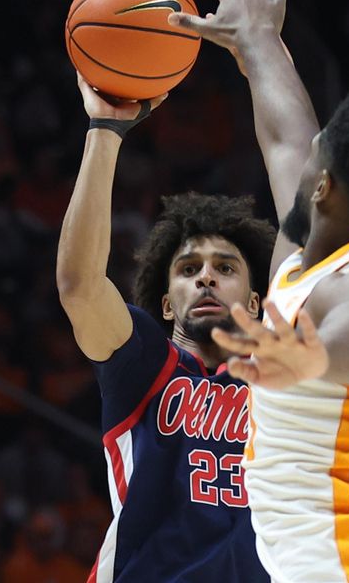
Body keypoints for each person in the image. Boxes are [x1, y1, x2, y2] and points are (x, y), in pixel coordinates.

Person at [172, 0, 349, 580]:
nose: (306, 157)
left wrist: (316, 357)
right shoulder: (308, 251)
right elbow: (285, 138)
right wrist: (258, 39)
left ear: (323, 188)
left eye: (317, 159)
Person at [56, 77, 275, 579]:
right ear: (167, 304)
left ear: (257, 302)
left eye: (225, 268)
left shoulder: (287, 386)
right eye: (188, 268)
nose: (205, 277)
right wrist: (105, 130)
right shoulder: (146, 364)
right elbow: (78, 286)